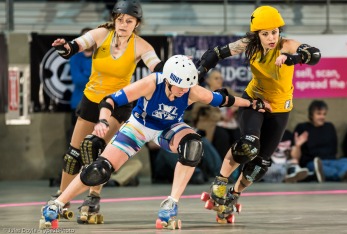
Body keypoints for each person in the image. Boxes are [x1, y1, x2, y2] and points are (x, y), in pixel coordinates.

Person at [40, 55, 271, 229]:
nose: (183, 92)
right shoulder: (151, 83)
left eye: (187, 88)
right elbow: (110, 100)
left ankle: (171, 203)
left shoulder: (191, 91)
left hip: (167, 129)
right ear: (169, 80)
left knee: (193, 147)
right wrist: (102, 120)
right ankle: (57, 204)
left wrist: (253, 104)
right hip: (139, 127)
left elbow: (223, 99)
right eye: (179, 87)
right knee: (99, 170)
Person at [196, 5, 321, 221]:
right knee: (248, 146)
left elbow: (314, 54)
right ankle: (220, 181)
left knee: (260, 165)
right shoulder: (248, 45)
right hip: (255, 101)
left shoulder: (286, 45)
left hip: (281, 109)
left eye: (274, 32)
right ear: (257, 35)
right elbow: (215, 54)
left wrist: (292, 59)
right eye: (265, 34)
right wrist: (199, 72)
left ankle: (233, 196)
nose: (272, 37)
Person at [49, 0, 164, 222]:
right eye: (120, 19)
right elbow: (77, 46)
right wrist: (65, 47)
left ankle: (92, 199)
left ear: (136, 23)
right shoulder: (102, 34)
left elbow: (157, 68)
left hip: (117, 103)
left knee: (96, 150)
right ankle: (61, 198)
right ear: (114, 19)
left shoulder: (141, 46)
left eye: (129, 21)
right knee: (73, 155)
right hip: (91, 99)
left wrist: (176, 68)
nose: (123, 24)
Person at [291, 100, 347, 182]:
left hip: (332, 161)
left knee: (346, 161)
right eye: (319, 114)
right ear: (311, 115)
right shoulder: (302, 128)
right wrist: (298, 145)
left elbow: (334, 149)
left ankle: (333, 176)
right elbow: (295, 157)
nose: (322, 117)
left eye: (324, 114)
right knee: (317, 167)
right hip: (313, 162)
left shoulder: (329, 127)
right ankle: (342, 176)